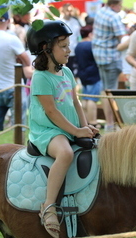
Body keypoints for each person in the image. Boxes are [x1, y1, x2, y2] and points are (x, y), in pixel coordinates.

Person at [26, 20, 99, 238]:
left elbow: (75, 102)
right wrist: (76, 133)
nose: (69, 50)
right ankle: (49, 207)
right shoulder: (40, 77)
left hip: (69, 128)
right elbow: (51, 112)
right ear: (46, 48)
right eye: (63, 46)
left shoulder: (66, 72)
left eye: (69, 45)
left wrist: (84, 126)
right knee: (66, 153)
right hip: (48, 131)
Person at [0, 6, 33, 145]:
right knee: (20, 126)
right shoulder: (11, 39)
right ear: (9, 20)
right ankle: (19, 154)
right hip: (13, 87)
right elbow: (27, 60)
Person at [92, 0, 126, 132]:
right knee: (111, 91)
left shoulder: (100, 11)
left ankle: (109, 123)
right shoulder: (113, 16)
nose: (121, 7)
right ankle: (111, 124)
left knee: (105, 90)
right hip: (110, 57)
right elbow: (122, 39)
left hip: (99, 56)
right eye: (120, 5)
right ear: (114, 5)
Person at [75, 25, 102, 129]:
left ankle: (86, 121)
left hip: (83, 73)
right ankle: (93, 121)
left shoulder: (78, 46)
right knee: (92, 98)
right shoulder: (91, 45)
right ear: (90, 34)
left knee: (85, 98)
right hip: (93, 74)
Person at [61, 3, 82, 75]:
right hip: (64, 52)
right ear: (63, 10)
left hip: (75, 52)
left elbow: (79, 36)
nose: (69, 12)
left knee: (75, 73)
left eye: (71, 10)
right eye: (67, 10)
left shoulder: (76, 21)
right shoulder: (60, 22)